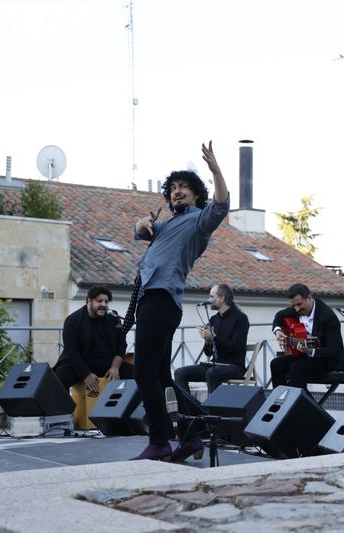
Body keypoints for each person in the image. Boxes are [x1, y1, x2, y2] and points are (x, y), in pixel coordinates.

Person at [130, 141, 229, 462]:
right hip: (151, 300)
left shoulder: (199, 220)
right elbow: (139, 230)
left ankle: (159, 441)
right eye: (172, 188)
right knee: (160, 376)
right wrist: (142, 224)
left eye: (184, 186)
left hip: (160, 300)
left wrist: (215, 170)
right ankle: (192, 439)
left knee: (143, 372)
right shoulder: (167, 223)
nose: (177, 191)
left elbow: (222, 204)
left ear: (197, 193)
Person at [53, 286, 132, 393]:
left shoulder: (113, 317)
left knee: (137, 374)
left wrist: (115, 367)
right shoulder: (73, 320)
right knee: (59, 378)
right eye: (99, 301)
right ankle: (64, 410)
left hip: (107, 363)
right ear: (89, 301)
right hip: (81, 363)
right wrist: (86, 375)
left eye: (106, 301)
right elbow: (71, 351)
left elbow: (122, 344)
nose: (104, 305)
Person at [174, 284, 250, 394]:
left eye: (212, 296)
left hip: (234, 366)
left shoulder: (241, 318)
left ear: (222, 298)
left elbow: (236, 348)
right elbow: (208, 353)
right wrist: (208, 341)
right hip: (214, 365)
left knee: (211, 373)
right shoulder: (214, 319)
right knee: (180, 373)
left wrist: (214, 338)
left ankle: (213, 410)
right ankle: (189, 408)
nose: (209, 300)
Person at [270, 283, 344, 388]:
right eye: (293, 305)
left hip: (327, 360)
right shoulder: (296, 309)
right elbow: (279, 315)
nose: (296, 309)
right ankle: (280, 401)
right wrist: (277, 331)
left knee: (296, 368)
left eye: (299, 304)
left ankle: (299, 403)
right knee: (276, 364)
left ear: (309, 298)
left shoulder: (328, 317)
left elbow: (334, 350)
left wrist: (311, 351)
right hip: (305, 356)